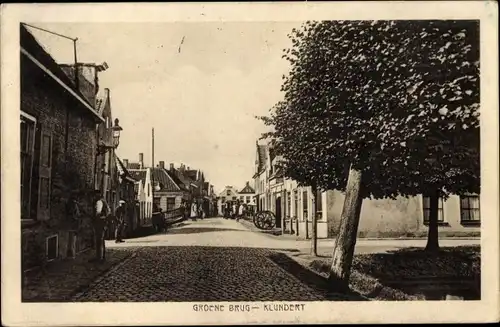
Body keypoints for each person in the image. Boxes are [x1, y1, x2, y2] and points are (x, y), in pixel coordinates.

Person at [91, 190, 110, 262]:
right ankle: (102, 256)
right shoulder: (104, 201)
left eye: (96, 195)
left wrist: (96, 218)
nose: (95, 197)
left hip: (100, 223)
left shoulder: (99, 202)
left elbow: (98, 213)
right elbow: (108, 211)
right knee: (101, 240)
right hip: (103, 222)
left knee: (99, 240)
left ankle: (99, 257)